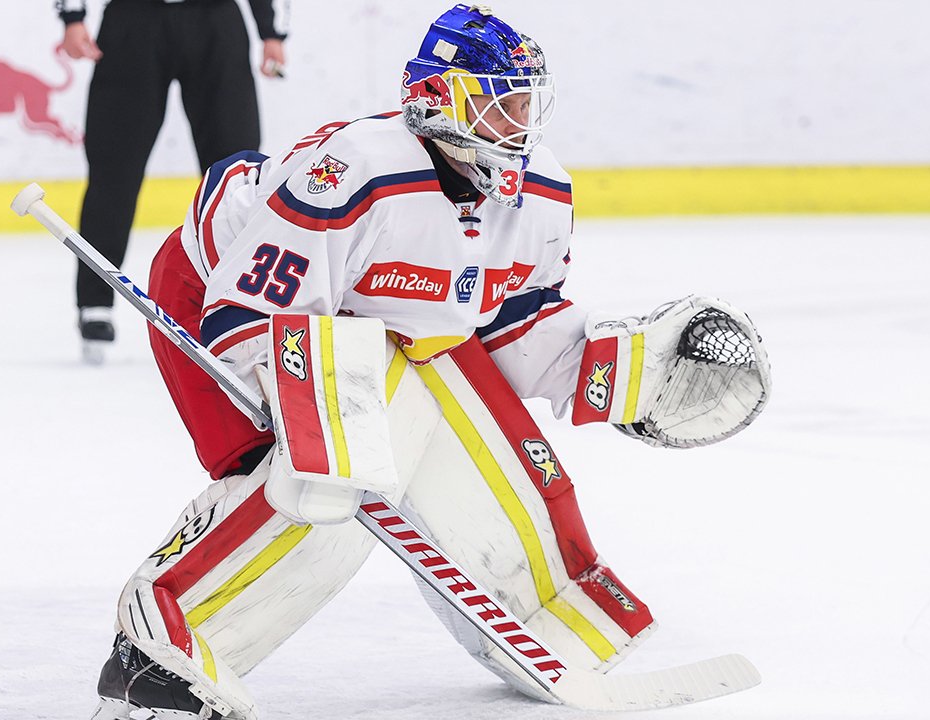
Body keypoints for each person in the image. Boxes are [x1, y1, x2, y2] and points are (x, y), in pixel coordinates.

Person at [92, 5, 769, 718]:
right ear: (439, 99)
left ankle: (553, 619)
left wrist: (617, 376)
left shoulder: (540, 194)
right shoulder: (358, 170)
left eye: (526, 103)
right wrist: (317, 434)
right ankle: (157, 646)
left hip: (378, 325)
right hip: (221, 297)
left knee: (482, 447)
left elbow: (509, 322)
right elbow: (250, 310)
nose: (520, 122)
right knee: (321, 486)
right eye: (501, 103)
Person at [56, 0, 288, 363]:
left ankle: (245, 304)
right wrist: (72, 16)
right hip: (132, 20)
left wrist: (272, 31)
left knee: (238, 178)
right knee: (113, 168)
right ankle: (95, 304)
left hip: (216, 21)